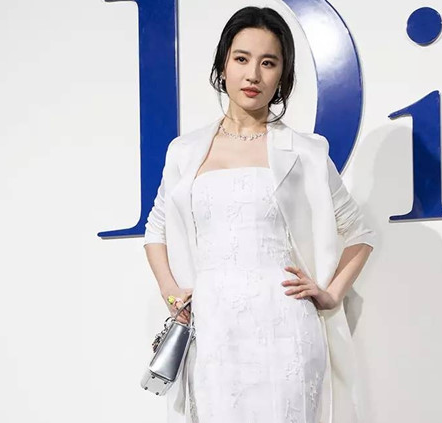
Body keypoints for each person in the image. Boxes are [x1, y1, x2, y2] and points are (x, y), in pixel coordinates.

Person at [143, 6, 376, 423]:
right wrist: (172, 292)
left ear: (283, 75)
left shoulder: (306, 151)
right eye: (242, 58)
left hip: (285, 328)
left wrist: (330, 293)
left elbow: (359, 233)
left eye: (268, 63)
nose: (253, 75)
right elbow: (156, 227)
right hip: (214, 330)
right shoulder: (185, 151)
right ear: (223, 65)